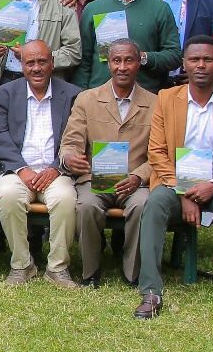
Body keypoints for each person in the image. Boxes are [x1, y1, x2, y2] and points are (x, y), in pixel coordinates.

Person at [135, 38, 213, 319]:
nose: (201, 65)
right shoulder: (167, 99)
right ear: (184, 64)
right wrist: (184, 191)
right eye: (194, 60)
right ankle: (151, 291)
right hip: (173, 183)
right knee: (154, 204)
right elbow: (156, 152)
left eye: (208, 59)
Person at [60, 39, 156, 287]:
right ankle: (90, 272)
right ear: (108, 63)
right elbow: (70, 142)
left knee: (143, 205)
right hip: (95, 179)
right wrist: (70, 157)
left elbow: (159, 154)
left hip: (134, 182)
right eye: (117, 60)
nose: (122, 67)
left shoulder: (155, 104)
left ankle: (132, 273)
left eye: (129, 60)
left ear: (138, 64)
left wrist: (138, 177)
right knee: (87, 206)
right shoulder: (87, 99)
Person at [0, 41, 82, 287]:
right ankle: (22, 264)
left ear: (52, 64)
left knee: (65, 198)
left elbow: (75, 140)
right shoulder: (6, 93)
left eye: (42, 61)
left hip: (57, 171)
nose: (36, 68)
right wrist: (22, 169)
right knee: (8, 194)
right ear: (22, 67)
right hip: (18, 170)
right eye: (30, 63)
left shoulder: (72, 95)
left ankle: (57, 268)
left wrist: (55, 168)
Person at [74, 0, 181, 94]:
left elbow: (174, 56)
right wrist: (83, 96)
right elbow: (83, 61)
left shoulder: (159, 8)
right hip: (100, 98)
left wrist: (143, 57)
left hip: (144, 98)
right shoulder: (94, 9)